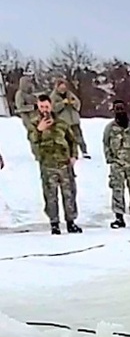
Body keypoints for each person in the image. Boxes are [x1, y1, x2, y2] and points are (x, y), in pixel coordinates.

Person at [27, 94, 81, 235]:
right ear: (38, 106)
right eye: (42, 106)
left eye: (46, 106)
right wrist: (39, 130)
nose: (44, 109)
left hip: (64, 163)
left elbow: (72, 140)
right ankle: (54, 223)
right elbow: (32, 140)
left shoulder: (61, 122)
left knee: (69, 194)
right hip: (48, 164)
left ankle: (71, 222)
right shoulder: (34, 123)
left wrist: (74, 155)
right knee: (51, 196)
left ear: (51, 106)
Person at [102, 101, 130, 227]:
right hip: (117, 164)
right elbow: (106, 143)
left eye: (122, 108)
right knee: (117, 190)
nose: (120, 111)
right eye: (117, 109)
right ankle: (119, 217)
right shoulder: (110, 129)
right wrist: (110, 158)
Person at [50, 77, 90, 158]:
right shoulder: (53, 96)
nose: (63, 89)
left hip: (74, 119)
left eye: (64, 87)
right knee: (67, 138)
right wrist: (62, 103)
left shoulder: (70, 94)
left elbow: (78, 103)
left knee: (79, 136)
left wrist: (73, 103)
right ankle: (70, 153)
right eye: (61, 87)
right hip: (63, 121)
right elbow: (53, 108)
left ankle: (84, 151)